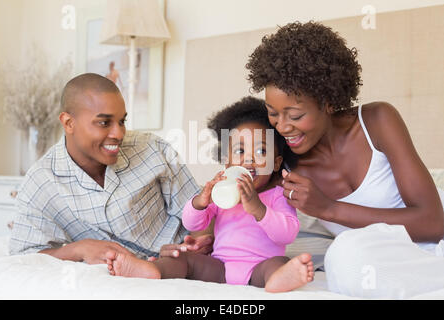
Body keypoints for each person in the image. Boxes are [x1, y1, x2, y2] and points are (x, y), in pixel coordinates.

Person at [245, 21, 444, 298]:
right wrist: (203, 241)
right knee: (344, 257)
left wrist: (328, 208)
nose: (282, 126)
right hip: (383, 257)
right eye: (273, 113)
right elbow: (236, 192)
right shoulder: (281, 159)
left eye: (295, 115)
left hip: (436, 237)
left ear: (328, 102)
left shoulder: (377, 121)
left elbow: (433, 223)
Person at [106, 97, 314, 292]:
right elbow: (192, 224)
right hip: (220, 267)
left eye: (261, 152)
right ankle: (151, 270)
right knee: (183, 259)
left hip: (259, 267)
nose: (249, 160)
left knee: (280, 264)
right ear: (227, 161)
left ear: (276, 163)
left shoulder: (278, 195)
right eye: (240, 151)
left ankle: (278, 280)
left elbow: (287, 234)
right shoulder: (223, 191)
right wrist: (200, 202)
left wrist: (258, 209)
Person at [9, 73, 209, 263]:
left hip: (183, 260)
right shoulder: (41, 181)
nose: (119, 133)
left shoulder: (153, 149)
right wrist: (80, 248)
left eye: (122, 121)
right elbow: (25, 256)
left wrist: (200, 244)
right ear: (69, 123)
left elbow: (201, 215)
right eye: (104, 123)